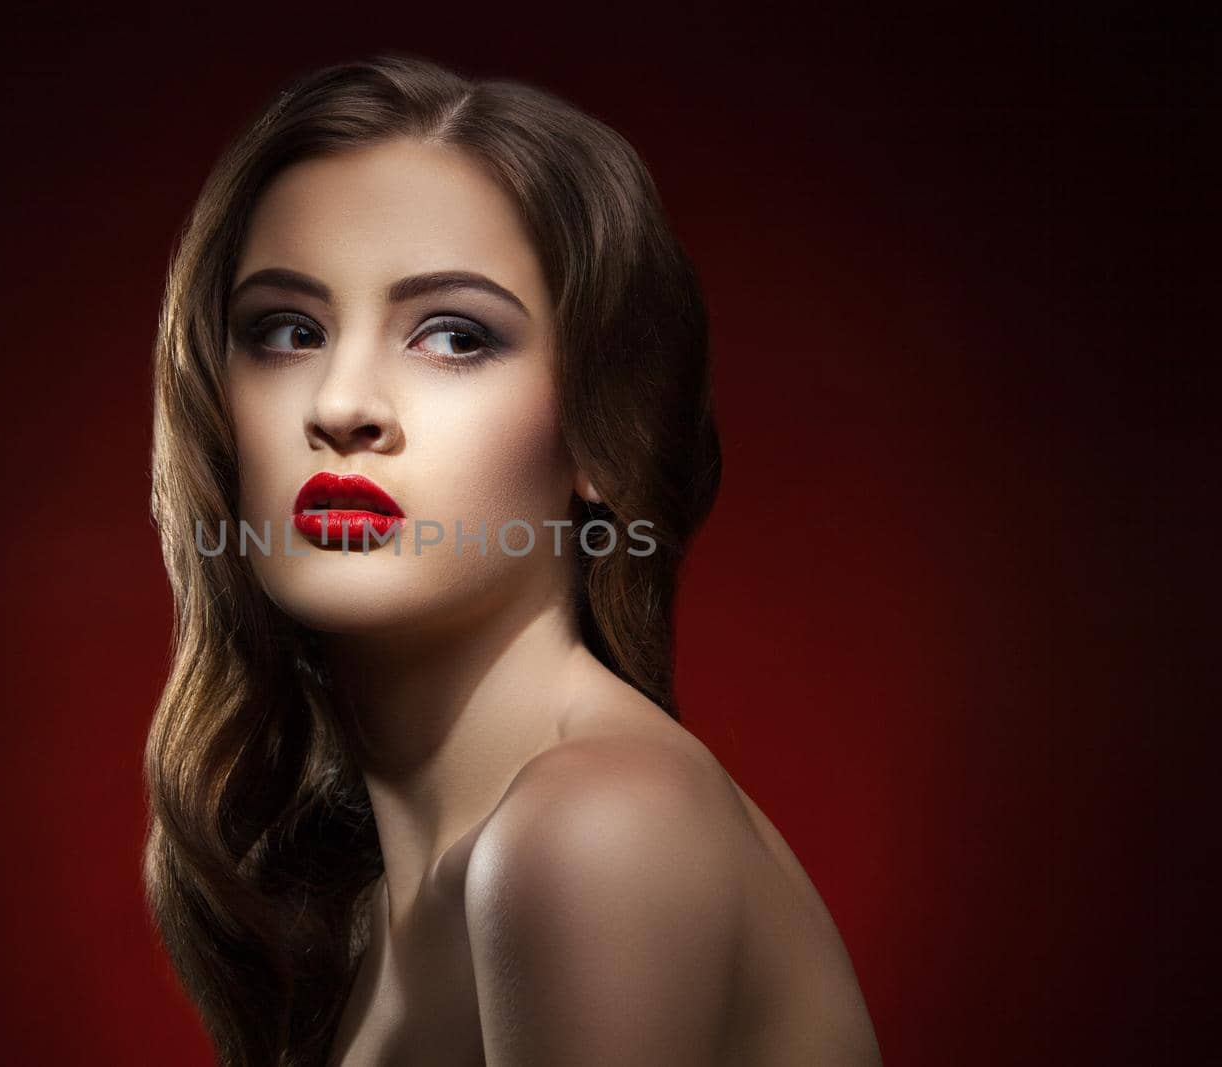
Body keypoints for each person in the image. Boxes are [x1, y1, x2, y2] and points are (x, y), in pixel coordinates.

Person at [143, 54, 882, 1067]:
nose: (340, 402)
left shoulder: (592, 829)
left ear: (601, 436)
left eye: (453, 334)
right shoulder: (357, 888)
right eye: (287, 329)